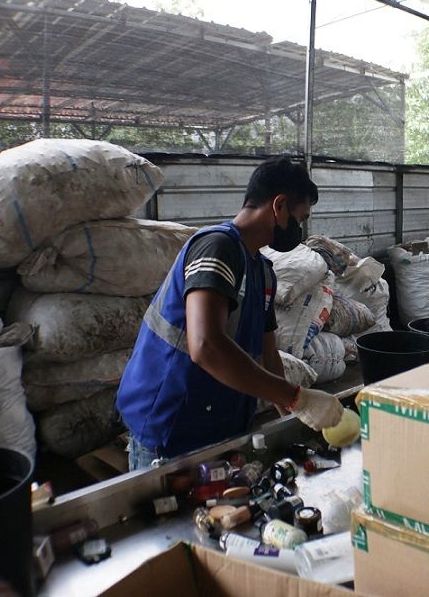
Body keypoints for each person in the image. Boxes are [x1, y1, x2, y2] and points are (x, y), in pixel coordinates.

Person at [116, 157, 343, 470]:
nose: (299, 229)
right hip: (170, 428)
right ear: (279, 206)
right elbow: (205, 346)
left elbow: (269, 355)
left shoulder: (263, 273)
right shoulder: (217, 248)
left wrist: (292, 417)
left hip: (218, 427)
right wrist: (296, 397)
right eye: (299, 218)